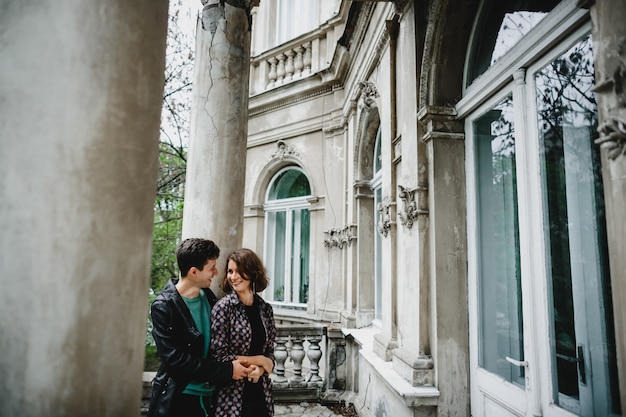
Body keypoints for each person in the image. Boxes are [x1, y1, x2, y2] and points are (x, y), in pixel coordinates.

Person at [148, 238, 250, 417]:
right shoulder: (163, 306)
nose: (216, 272)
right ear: (194, 272)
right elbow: (175, 362)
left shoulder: (210, 297)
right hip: (180, 400)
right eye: (211, 268)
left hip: (213, 398)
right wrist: (227, 371)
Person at [210, 248, 276, 417]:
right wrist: (260, 360)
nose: (234, 277)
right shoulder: (223, 308)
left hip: (261, 393)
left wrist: (260, 370)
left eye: (240, 271)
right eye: (230, 271)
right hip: (231, 396)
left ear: (253, 273)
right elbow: (219, 357)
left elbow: (270, 354)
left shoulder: (265, 309)